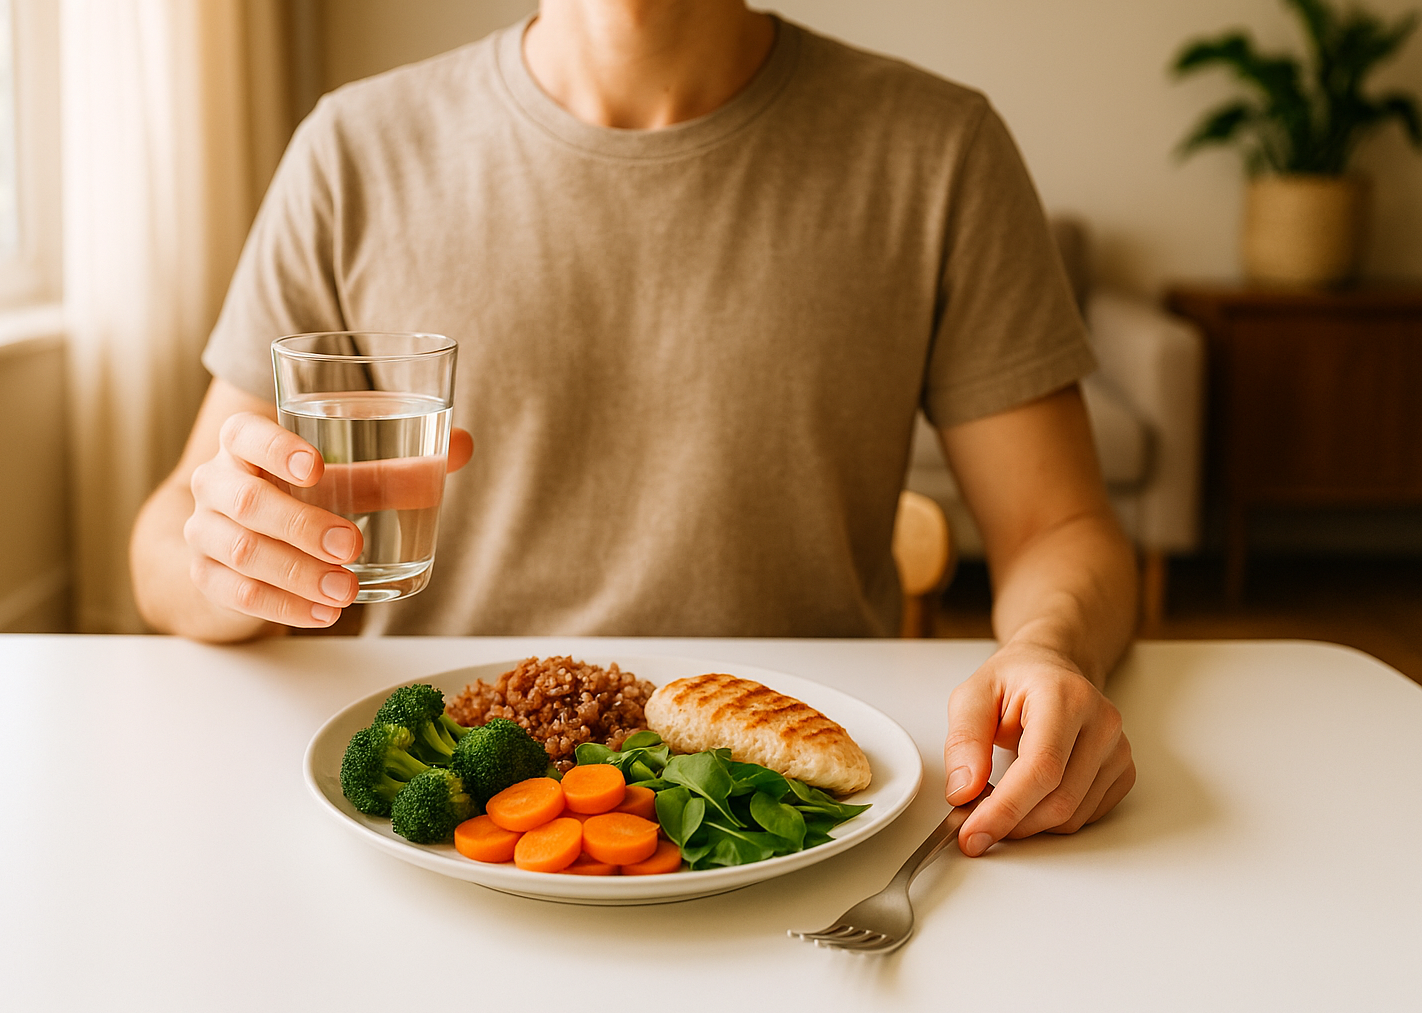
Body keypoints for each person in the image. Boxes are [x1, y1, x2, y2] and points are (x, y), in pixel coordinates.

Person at [130, 0, 1137, 858]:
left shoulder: (939, 150)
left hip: (798, 835)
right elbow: (170, 534)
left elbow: (1058, 526)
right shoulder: (352, 149)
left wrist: (1050, 648)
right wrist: (227, 556)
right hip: (442, 841)